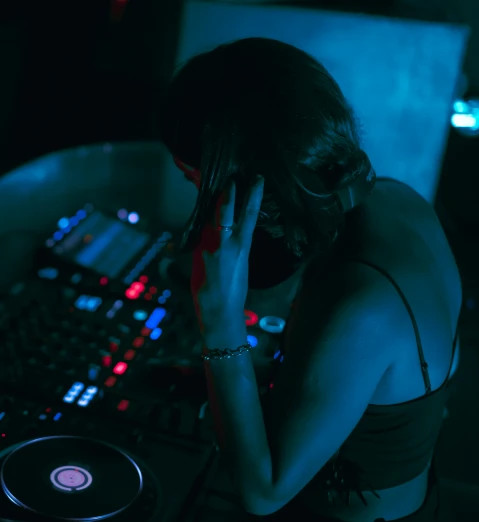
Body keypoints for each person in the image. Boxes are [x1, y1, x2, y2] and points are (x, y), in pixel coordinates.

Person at [160, 38, 461, 522]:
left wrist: (220, 325)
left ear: (247, 187)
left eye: (198, 183)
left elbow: (264, 492)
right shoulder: (397, 200)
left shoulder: (361, 306)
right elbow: (360, 386)